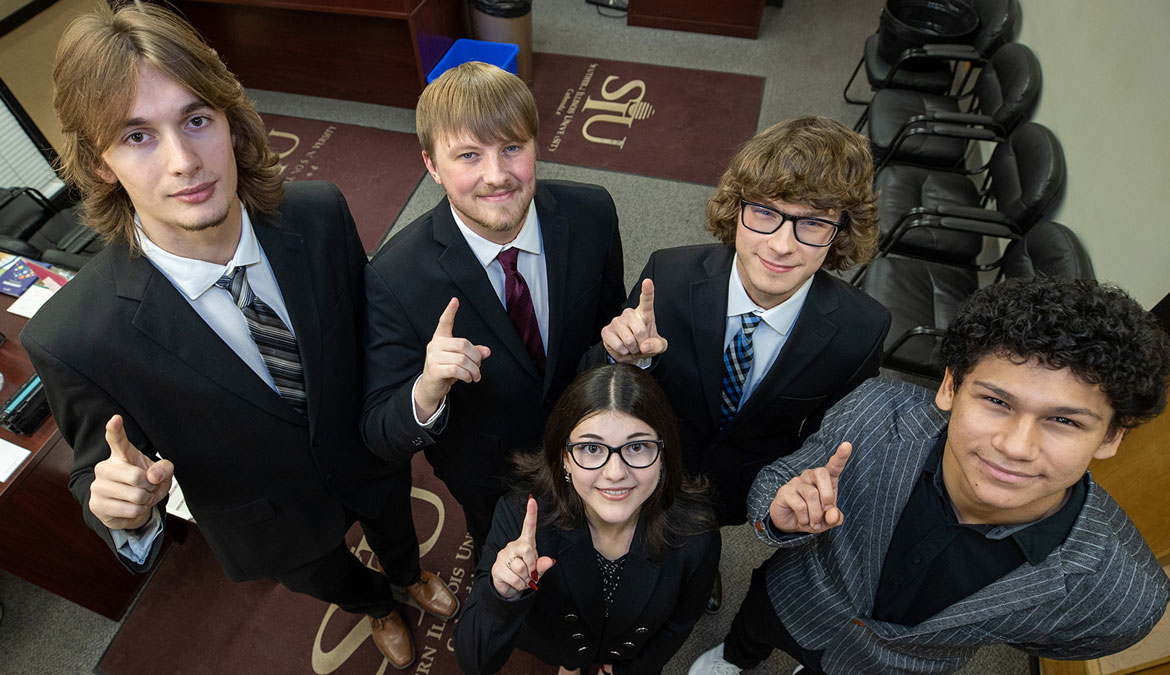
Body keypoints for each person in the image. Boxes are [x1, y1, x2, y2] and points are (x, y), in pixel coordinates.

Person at [20, 4, 455, 669]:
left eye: (197, 120)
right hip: (268, 524)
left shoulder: (320, 213)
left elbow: (367, 339)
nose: (184, 161)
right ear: (99, 161)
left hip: (369, 459)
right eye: (137, 136)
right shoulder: (72, 336)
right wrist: (124, 509)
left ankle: (408, 575)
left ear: (230, 119)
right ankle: (376, 604)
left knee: (396, 524)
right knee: (330, 579)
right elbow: (100, 470)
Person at [688, 276, 1170, 674]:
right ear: (949, 386)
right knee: (748, 637)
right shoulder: (876, 413)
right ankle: (735, 659)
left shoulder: (1125, 595)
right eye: (996, 401)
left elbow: (1067, 639)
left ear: (1113, 435)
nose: (1015, 446)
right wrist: (778, 512)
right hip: (794, 600)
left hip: (892, 667)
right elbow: (784, 477)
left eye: (1065, 420)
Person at [596, 116, 890, 611]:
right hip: (653, 461)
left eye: (813, 222)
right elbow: (605, 385)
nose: (780, 244)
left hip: (740, 487)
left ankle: (700, 568)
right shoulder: (667, 274)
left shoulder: (862, 329)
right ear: (736, 209)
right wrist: (621, 358)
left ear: (841, 232)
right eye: (766, 213)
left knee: (695, 549)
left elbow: (829, 435)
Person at [360, 61, 625, 551]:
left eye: (511, 148)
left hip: (593, 438)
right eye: (467, 155)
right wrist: (425, 390)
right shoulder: (392, 277)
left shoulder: (593, 214)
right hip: (489, 476)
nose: (496, 176)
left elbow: (607, 321)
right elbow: (380, 432)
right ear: (432, 166)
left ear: (536, 146)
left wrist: (626, 347)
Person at [454, 364, 720, 675]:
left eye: (636, 447)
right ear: (565, 457)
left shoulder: (697, 535)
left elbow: (679, 625)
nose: (615, 473)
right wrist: (502, 594)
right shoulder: (519, 516)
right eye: (592, 448)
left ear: (663, 455)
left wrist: (632, 670)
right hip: (558, 646)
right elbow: (473, 660)